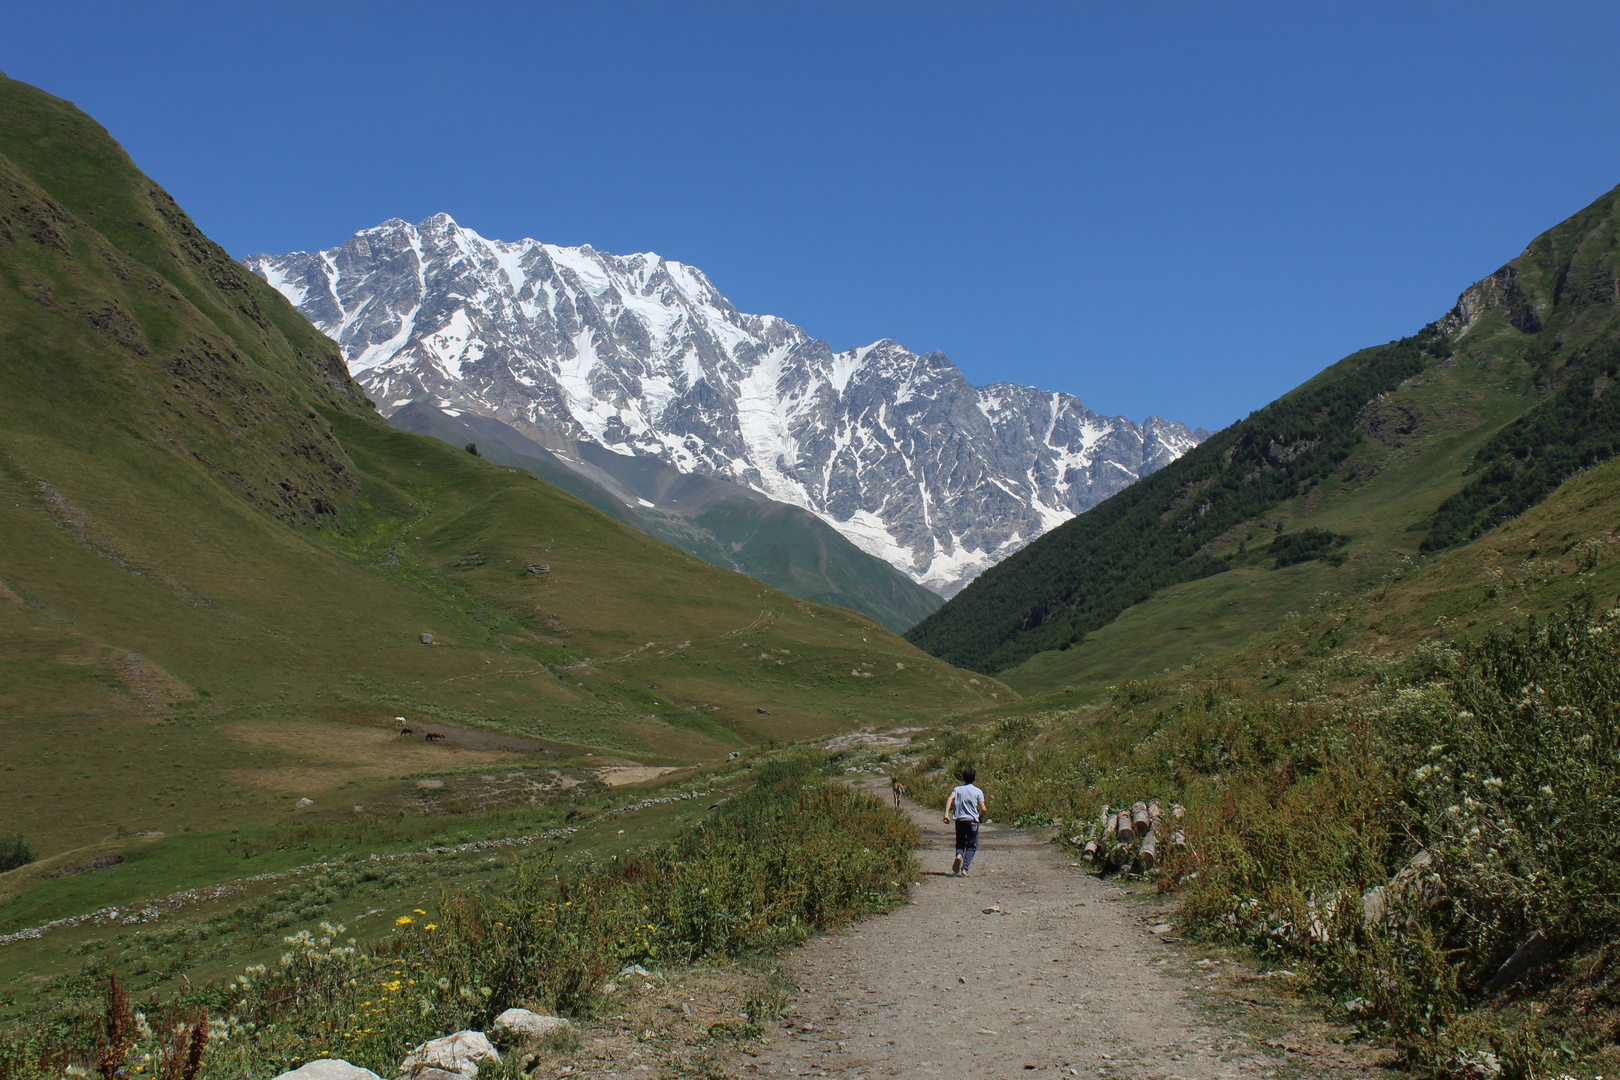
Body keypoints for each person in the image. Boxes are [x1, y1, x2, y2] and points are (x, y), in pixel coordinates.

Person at [943, 767, 987, 876]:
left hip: (960, 820)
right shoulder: (978, 791)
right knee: (971, 845)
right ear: (974, 779)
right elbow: (984, 808)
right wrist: (981, 817)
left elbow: (950, 799)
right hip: (972, 821)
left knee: (960, 841)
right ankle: (965, 869)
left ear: (963, 778)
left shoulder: (957, 789)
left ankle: (959, 855)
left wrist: (946, 814)